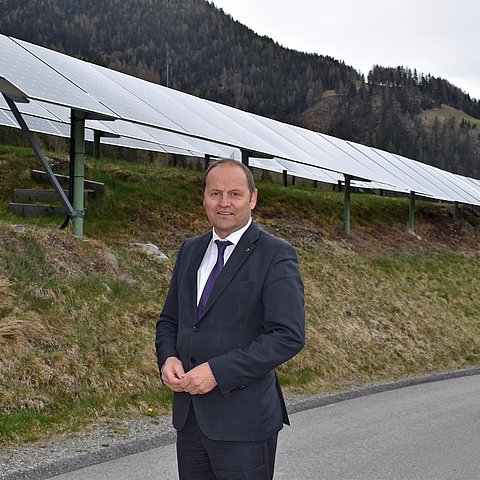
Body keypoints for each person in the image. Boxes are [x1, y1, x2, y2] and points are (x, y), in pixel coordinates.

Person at [156, 158, 305, 480]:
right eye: (215, 193)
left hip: (244, 422)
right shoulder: (190, 250)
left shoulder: (276, 254)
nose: (224, 203)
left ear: (253, 198)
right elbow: (170, 319)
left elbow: (287, 335)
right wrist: (167, 357)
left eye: (235, 194)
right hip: (190, 417)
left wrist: (217, 372)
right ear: (204, 198)